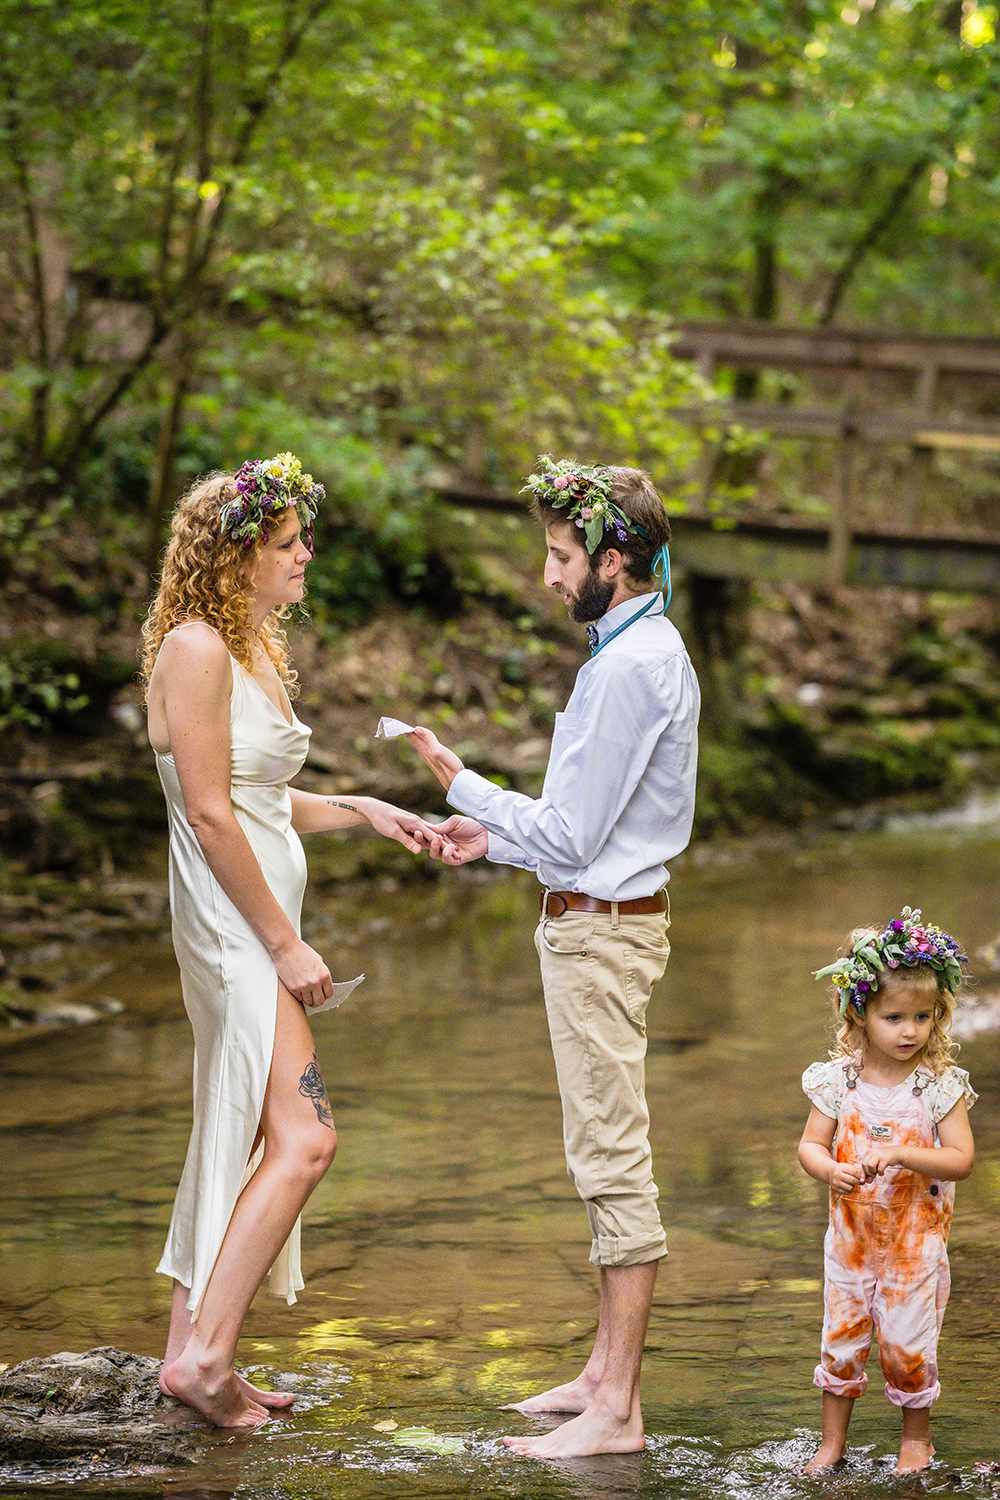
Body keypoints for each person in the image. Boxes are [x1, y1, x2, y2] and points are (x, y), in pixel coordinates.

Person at [140, 453, 451, 1429]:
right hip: (235, 931)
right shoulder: (193, 646)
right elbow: (209, 814)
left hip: (255, 926)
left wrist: (360, 806)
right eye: (286, 544)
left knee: (238, 1132)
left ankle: (188, 1345)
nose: (305, 554)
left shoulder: (253, 646)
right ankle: (204, 1361)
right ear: (236, 558)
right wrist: (283, 944)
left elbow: (262, 803)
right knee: (307, 1137)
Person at [405, 458, 700, 1458]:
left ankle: (617, 1409)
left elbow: (576, 838)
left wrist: (463, 785)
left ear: (612, 562)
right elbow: (587, 834)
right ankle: (599, 1376)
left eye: (560, 554)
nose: (546, 575)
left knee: (613, 1158)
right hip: (600, 920)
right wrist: (494, 843)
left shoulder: (628, 668)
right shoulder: (634, 651)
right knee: (598, 1150)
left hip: (604, 934)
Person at [798, 906, 976, 1475]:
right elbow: (809, 1146)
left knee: (907, 1343)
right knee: (842, 1337)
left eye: (923, 1017)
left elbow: (961, 1160)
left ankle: (915, 1441)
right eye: (894, 1017)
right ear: (860, 1013)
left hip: (913, 1248)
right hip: (849, 1244)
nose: (910, 1031)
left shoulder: (937, 1087)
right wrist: (830, 1170)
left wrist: (901, 1153)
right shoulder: (838, 1080)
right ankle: (831, 1443)